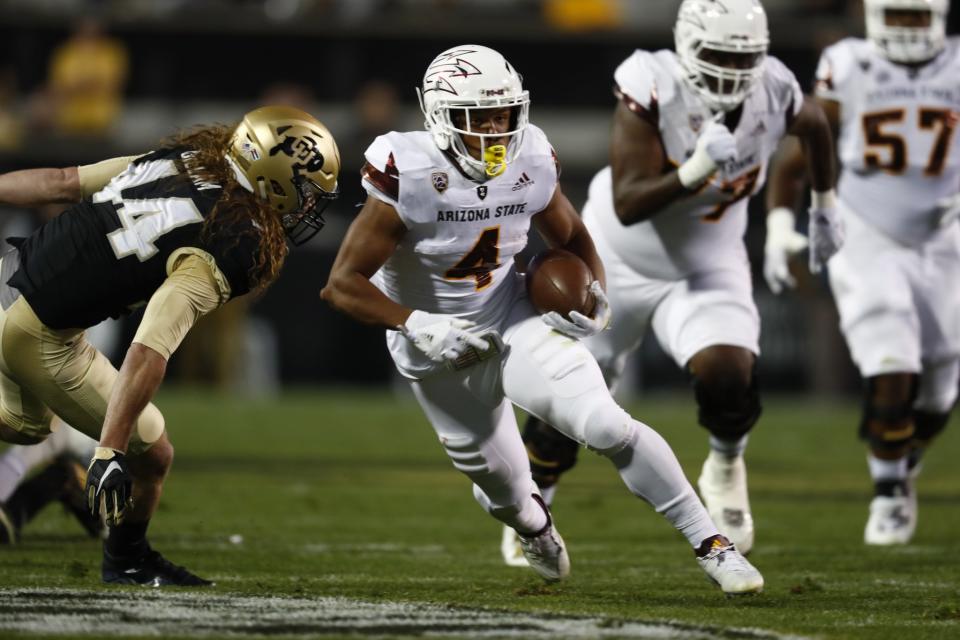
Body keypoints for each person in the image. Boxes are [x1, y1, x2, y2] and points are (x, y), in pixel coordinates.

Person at [322, 44, 763, 595]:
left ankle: (711, 543)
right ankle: (534, 525)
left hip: (512, 318)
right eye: (476, 117)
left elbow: (573, 236)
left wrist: (594, 288)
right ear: (439, 116)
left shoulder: (530, 156)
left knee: (604, 423)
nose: (493, 130)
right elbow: (341, 284)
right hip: (436, 352)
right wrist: (415, 322)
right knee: (504, 492)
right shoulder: (409, 171)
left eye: (502, 114)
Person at [504, 0, 842, 565]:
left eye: (744, 56)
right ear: (687, 46)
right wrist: (693, 172)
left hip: (705, 264)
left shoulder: (775, 89)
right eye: (717, 54)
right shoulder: (651, 81)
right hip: (619, 257)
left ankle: (726, 462)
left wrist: (823, 208)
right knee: (562, 404)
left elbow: (816, 125)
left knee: (730, 377)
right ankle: (535, 503)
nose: (731, 70)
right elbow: (630, 200)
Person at [0, 106, 341, 584]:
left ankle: (82, 512)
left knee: (30, 425)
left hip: (9, 275)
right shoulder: (235, 242)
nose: (308, 206)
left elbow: (60, 181)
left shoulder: (189, 159)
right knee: (150, 452)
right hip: (39, 332)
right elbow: (150, 346)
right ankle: (127, 560)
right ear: (271, 180)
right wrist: (110, 451)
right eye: (304, 190)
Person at [768, 0, 958, 545]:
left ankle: (904, 455)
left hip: (945, 238)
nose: (904, 27)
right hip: (865, 231)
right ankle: (889, 491)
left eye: (915, 16)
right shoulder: (849, 64)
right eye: (895, 14)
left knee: (940, 390)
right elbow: (802, 152)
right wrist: (782, 225)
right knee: (890, 357)